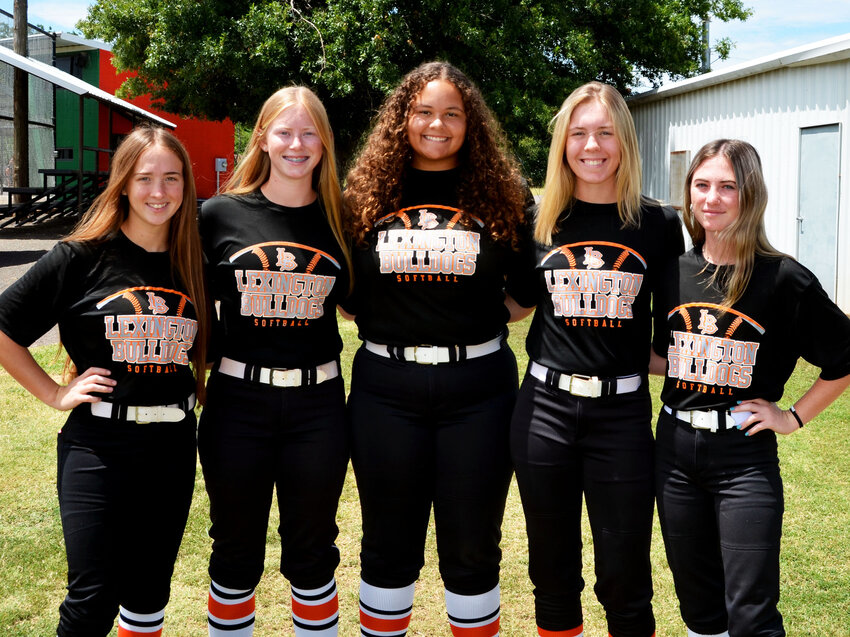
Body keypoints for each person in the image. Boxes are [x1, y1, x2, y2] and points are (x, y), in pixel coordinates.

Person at [342, 60, 530, 637]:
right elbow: (347, 295)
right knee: (386, 545)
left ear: (470, 122)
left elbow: (524, 295)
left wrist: (462, 323)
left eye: (452, 113)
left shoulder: (506, 193)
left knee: (473, 547)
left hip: (478, 391)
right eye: (423, 112)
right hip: (385, 389)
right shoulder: (364, 192)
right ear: (403, 118)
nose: (437, 125)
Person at [0, 126, 209, 637]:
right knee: (92, 598)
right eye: (145, 178)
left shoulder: (193, 261)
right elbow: (4, 328)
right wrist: (53, 392)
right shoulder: (81, 256)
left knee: (149, 593)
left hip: (172, 445)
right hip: (99, 445)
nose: (158, 192)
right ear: (122, 184)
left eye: (171, 178)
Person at [649, 139, 850, 637]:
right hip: (673, 453)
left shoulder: (783, 278)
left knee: (751, 613)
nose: (711, 198)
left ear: (750, 195)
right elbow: (667, 356)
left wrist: (792, 416)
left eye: (727, 187)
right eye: (702, 185)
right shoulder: (672, 272)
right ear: (689, 192)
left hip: (743, 459)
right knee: (698, 606)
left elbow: (844, 357)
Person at [508, 81, 684, 637]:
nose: (592, 145)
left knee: (625, 573)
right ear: (563, 142)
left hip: (622, 417)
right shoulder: (540, 219)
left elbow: (675, 332)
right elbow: (514, 304)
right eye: (579, 132)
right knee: (552, 571)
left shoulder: (657, 224)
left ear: (624, 141)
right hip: (543, 412)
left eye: (605, 132)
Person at [198, 86, 351, 637]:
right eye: (284, 131)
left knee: (313, 547)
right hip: (238, 402)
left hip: (318, 406)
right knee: (235, 546)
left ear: (326, 144)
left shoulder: (342, 218)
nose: (297, 143)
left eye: (310, 132)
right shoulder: (218, 215)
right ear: (261, 138)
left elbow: (368, 303)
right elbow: (174, 295)